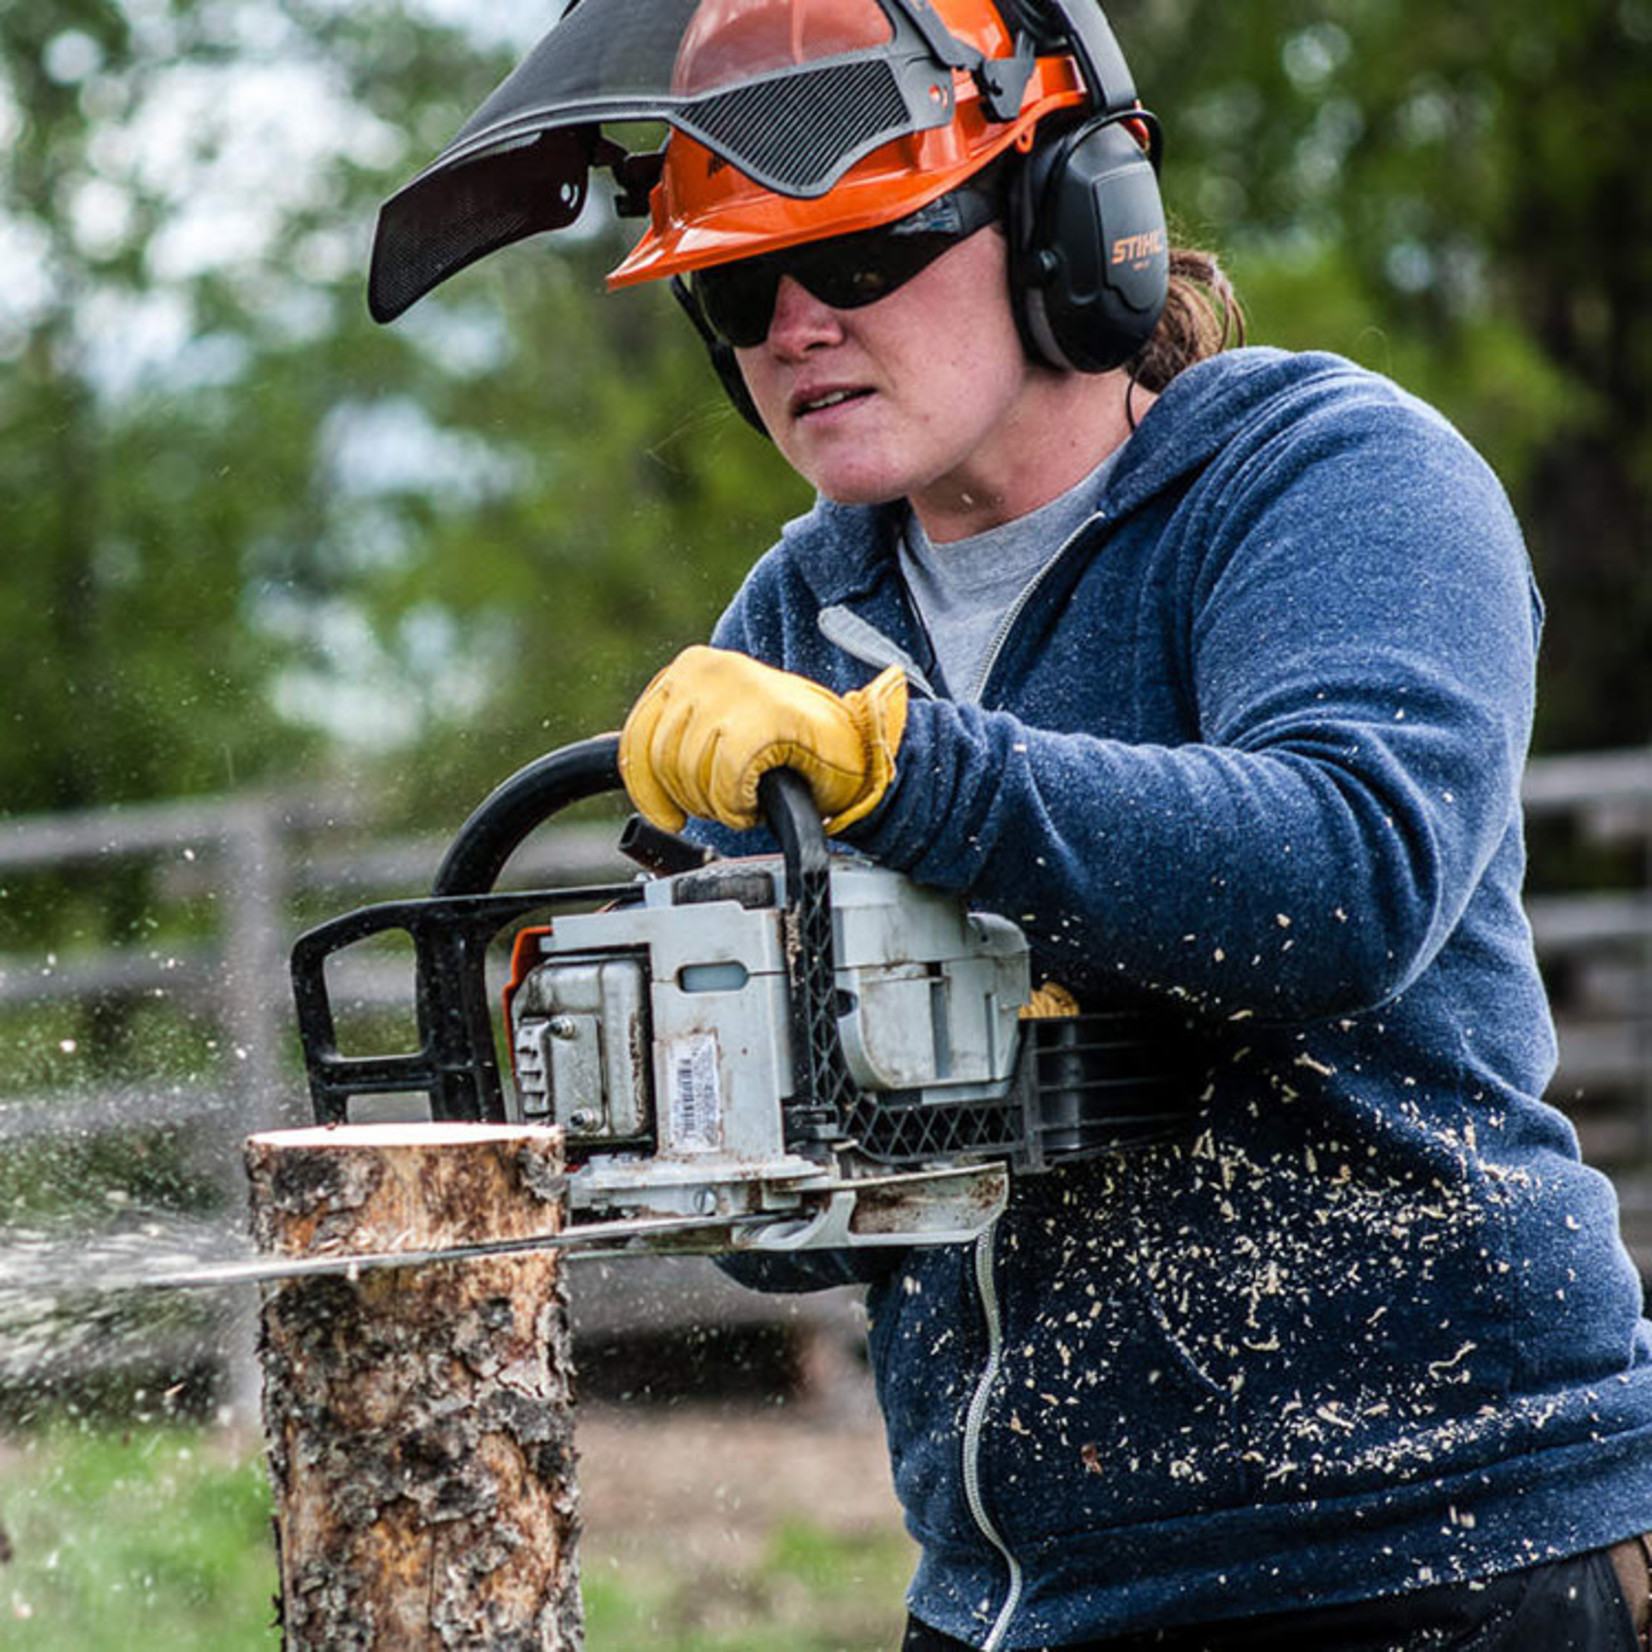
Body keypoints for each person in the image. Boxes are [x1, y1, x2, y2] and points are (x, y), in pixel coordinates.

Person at [366, 0, 1652, 1645]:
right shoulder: (804, 610)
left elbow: (1346, 872)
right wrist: (715, 1111)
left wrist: (901, 774)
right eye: (739, 283)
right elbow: (792, 1239)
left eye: (851, 252)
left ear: (1066, 223)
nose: (793, 326)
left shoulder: (1325, 479)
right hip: (1011, 1598)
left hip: (1421, 1546)